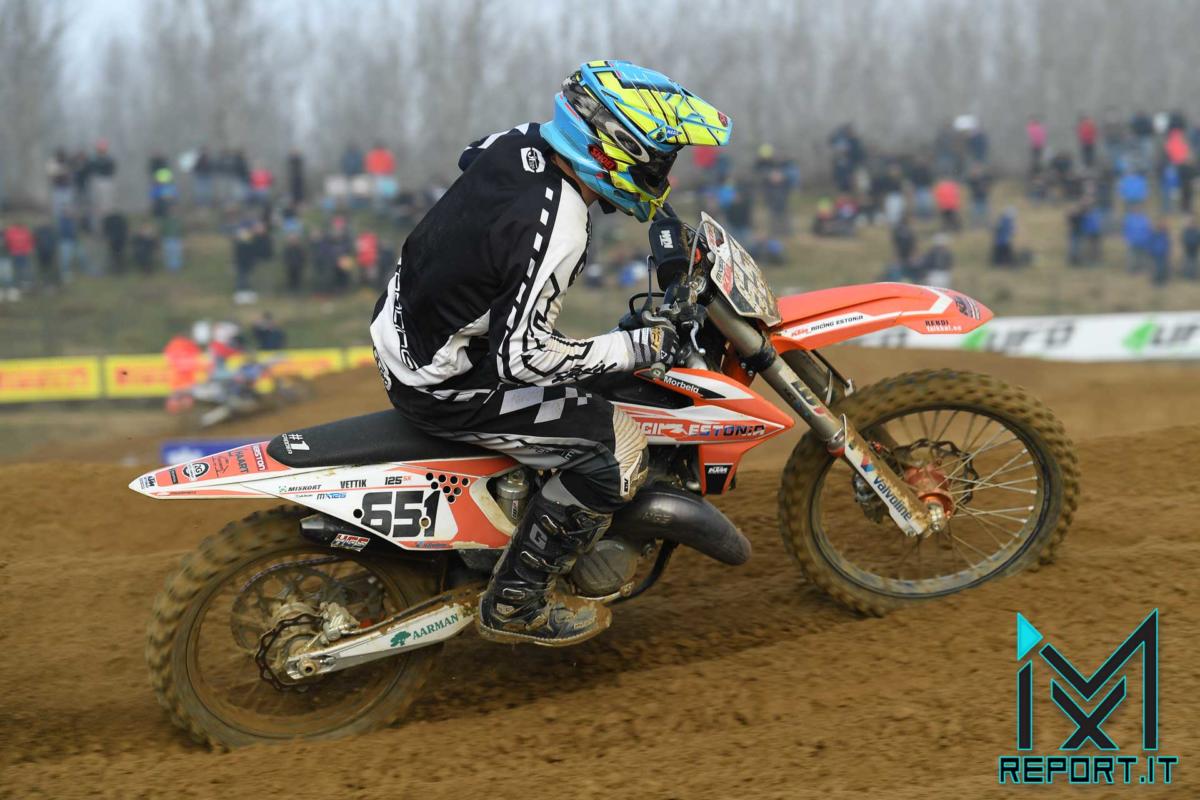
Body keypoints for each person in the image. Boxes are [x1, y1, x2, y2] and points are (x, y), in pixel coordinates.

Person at [370, 60, 730, 646]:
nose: (664, 176)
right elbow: (521, 358)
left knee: (591, 381)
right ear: (616, 149)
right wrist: (636, 346)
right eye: (659, 162)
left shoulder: (517, 142)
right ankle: (517, 601)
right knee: (617, 452)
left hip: (406, 325)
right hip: (447, 380)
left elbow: (470, 157)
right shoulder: (560, 227)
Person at [1147, 218, 1171, 285]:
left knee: (1163, 267)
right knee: (1157, 268)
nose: (1163, 227)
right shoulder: (1154, 234)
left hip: (1163, 254)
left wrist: (1168, 251)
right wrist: (1151, 252)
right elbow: (1150, 243)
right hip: (1156, 254)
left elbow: (1168, 244)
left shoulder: (1165, 235)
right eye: (1161, 225)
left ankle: (1162, 280)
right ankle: (1156, 281)